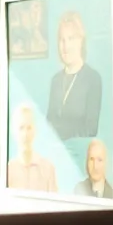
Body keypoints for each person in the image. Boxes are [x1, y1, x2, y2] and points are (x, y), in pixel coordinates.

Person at [45, 10, 102, 139]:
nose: (66, 46)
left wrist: (58, 131)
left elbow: (90, 129)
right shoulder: (56, 80)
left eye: (71, 39)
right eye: (62, 40)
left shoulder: (93, 79)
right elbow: (48, 122)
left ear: (81, 40)